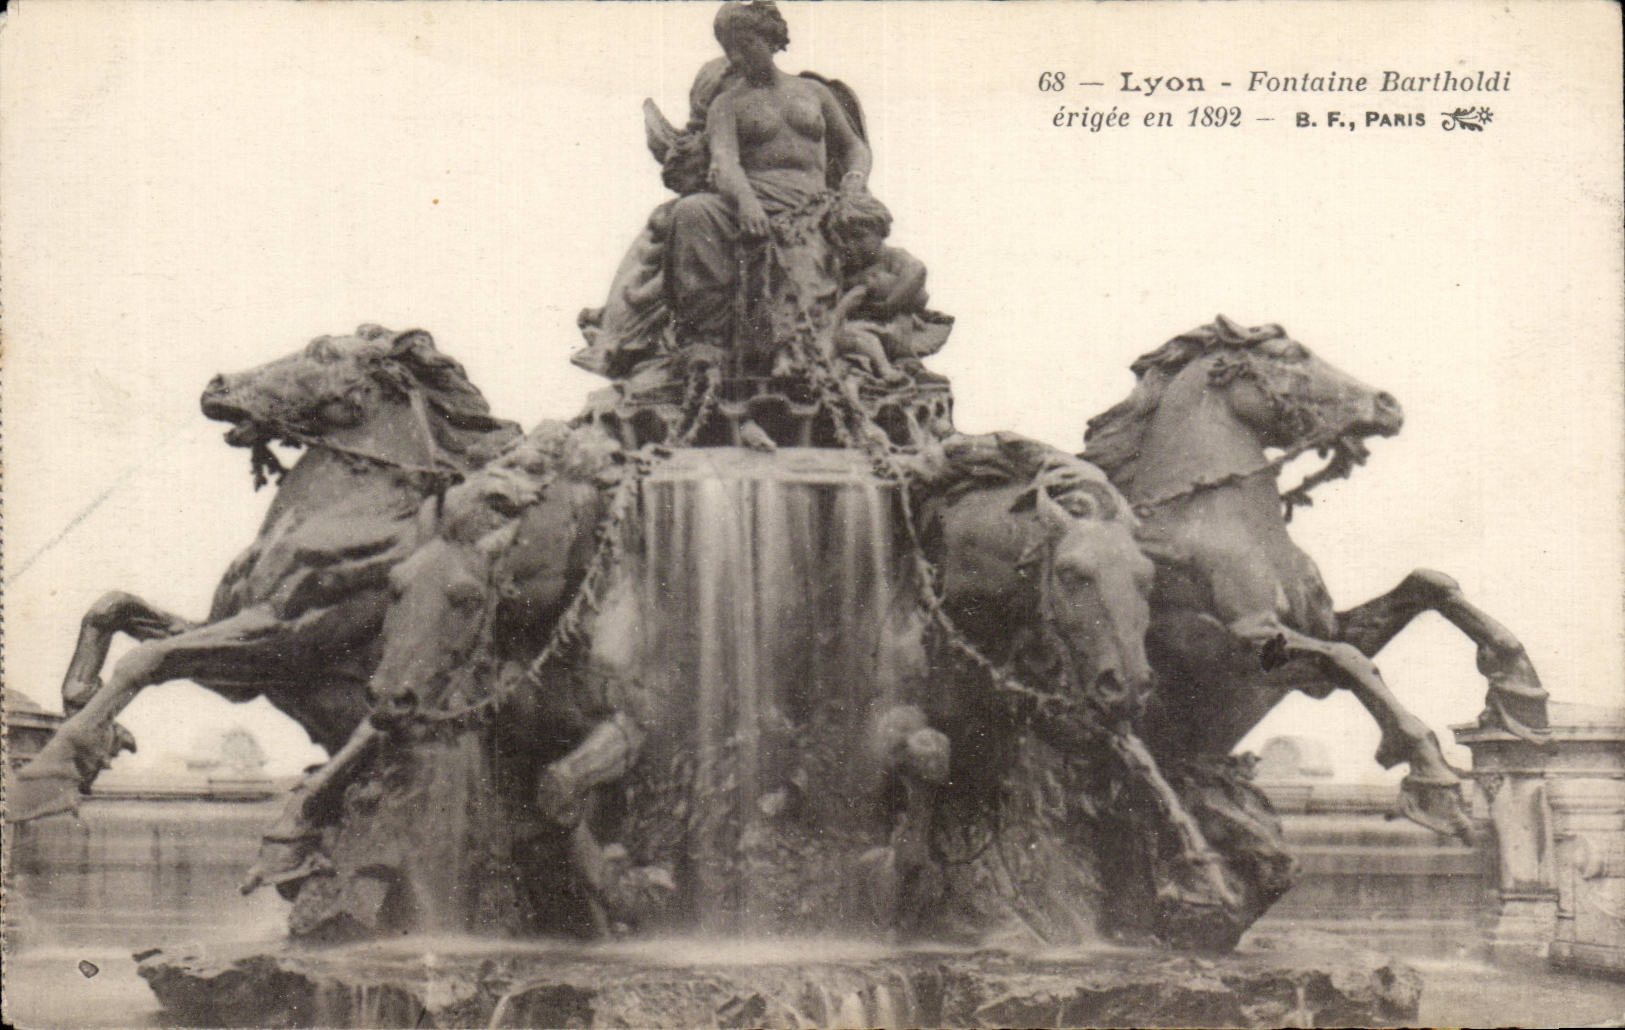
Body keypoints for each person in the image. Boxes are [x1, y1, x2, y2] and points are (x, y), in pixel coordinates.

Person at [664, 1, 872, 366]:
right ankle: (708, 336)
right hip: (754, 196)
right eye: (729, 47)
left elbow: (855, 147)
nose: (736, 55)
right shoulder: (726, 104)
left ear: (771, 39)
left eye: (745, 44)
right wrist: (746, 202)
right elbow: (725, 162)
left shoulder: (814, 93)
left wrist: (854, 182)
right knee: (691, 211)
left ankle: (790, 349)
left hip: (812, 204)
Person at [824, 194, 953, 383]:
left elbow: (917, 271)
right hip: (860, 330)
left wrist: (890, 303)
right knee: (855, 337)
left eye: (859, 237)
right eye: (844, 240)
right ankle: (885, 368)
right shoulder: (845, 269)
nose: (851, 245)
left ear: (881, 231)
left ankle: (904, 365)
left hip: (894, 326)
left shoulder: (892, 257)